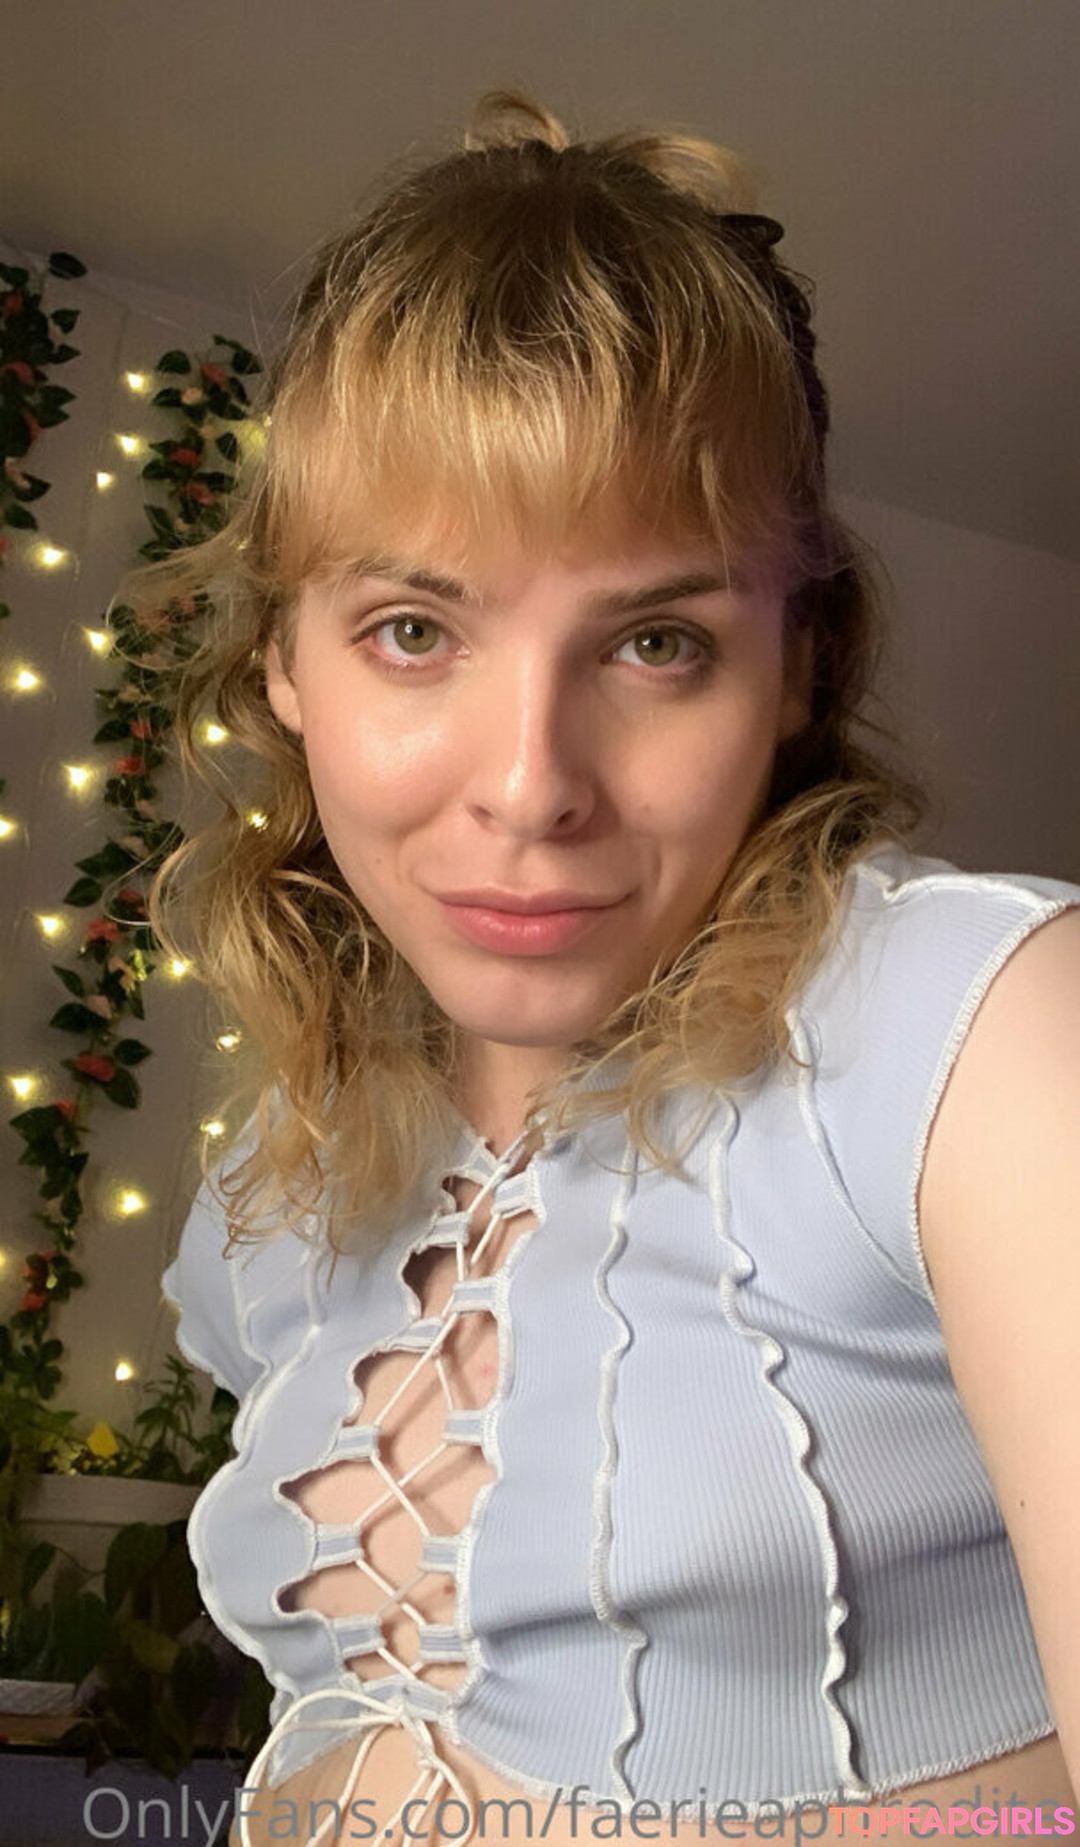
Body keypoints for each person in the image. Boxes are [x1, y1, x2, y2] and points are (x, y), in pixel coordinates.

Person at [144, 91, 1080, 1847]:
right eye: (412, 630)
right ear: (282, 661)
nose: (530, 784)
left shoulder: (979, 1034)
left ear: (800, 668)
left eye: (656, 642)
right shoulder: (269, 1200)